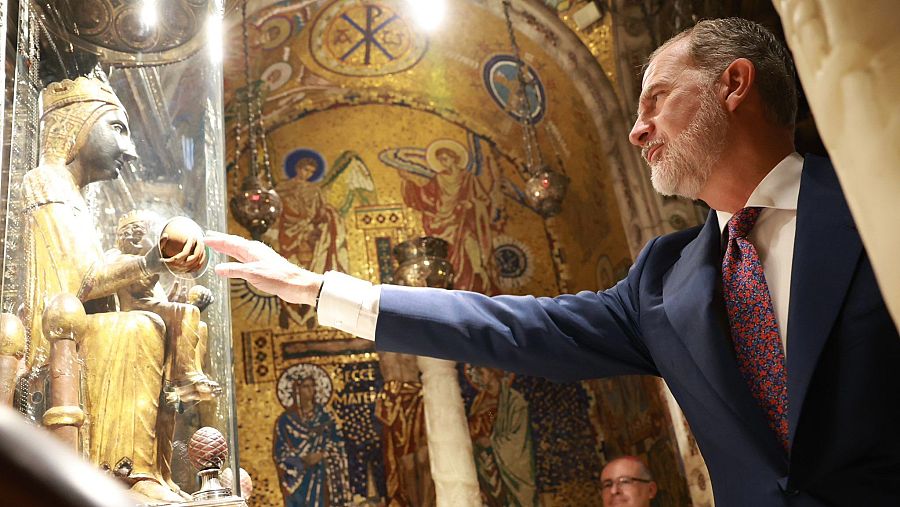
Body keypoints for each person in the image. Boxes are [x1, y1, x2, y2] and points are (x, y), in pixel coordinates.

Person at [206, 18, 900, 506]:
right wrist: (313, 286)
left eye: (656, 99)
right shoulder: (664, 283)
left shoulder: (878, 205)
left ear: (734, 83)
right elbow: (506, 326)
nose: (637, 129)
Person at [21, 77, 205, 502]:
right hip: (54, 338)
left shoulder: (76, 195)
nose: (131, 149)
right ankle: (124, 471)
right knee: (138, 329)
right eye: (118, 129)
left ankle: (157, 472)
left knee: (174, 323)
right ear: (78, 125)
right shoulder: (46, 182)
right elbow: (80, 279)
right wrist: (150, 260)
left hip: (76, 323)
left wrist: (153, 267)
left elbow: (96, 274)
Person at [272, 364, 351, 506]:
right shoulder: (286, 421)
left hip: (322, 475)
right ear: (297, 389)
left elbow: (338, 445)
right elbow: (280, 453)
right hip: (298, 480)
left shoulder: (325, 418)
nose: (310, 390)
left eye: (312, 386)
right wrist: (301, 460)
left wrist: (322, 455)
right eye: (305, 386)